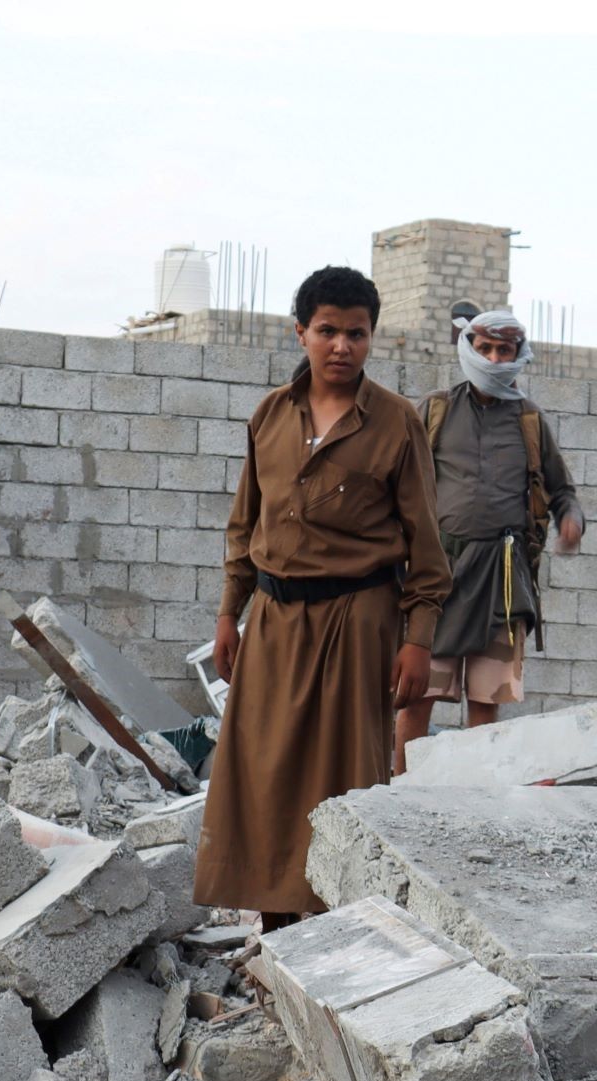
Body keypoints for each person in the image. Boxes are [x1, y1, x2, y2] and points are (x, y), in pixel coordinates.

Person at [192, 265, 449, 927]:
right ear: (300, 332)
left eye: (356, 334)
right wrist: (229, 614)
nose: (342, 346)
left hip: (356, 622)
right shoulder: (270, 416)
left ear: (371, 338)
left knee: (343, 777)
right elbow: (245, 526)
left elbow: (426, 547)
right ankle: (275, 927)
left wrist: (418, 641)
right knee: (263, 772)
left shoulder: (396, 422)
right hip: (273, 621)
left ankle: (339, 927)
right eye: (328, 331)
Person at [394, 309, 585, 758]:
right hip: (437, 578)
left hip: (503, 579)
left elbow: (562, 491)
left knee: (486, 701)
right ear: (469, 348)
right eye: (485, 349)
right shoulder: (436, 410)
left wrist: (572, 519)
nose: (495, 359)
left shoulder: (530, 420)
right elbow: (395, 481)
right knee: (418, 693)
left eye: (504, 350)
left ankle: (472, 793)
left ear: (519, 354)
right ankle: (400, 787)